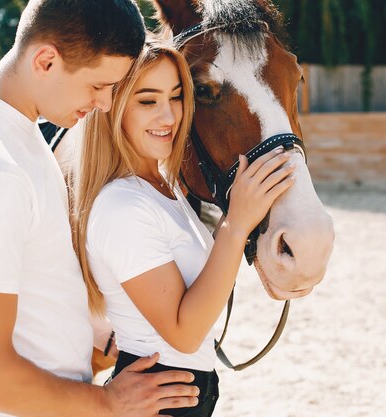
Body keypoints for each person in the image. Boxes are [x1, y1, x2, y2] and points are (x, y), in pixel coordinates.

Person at [0, 2, 201, 417]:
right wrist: (107, 402)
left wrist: (87, 336)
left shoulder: (5, 122)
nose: (105, 104)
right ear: (46, 60)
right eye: (98, 86)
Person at [74, 38, 296, 416]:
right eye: (148, 101)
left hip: (188, 395)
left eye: (176, 97)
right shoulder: (122, 206)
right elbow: (184, 332)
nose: (169, 116)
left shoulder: (166, 188)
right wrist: (236, 222)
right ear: (112, 108)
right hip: (160, 398)